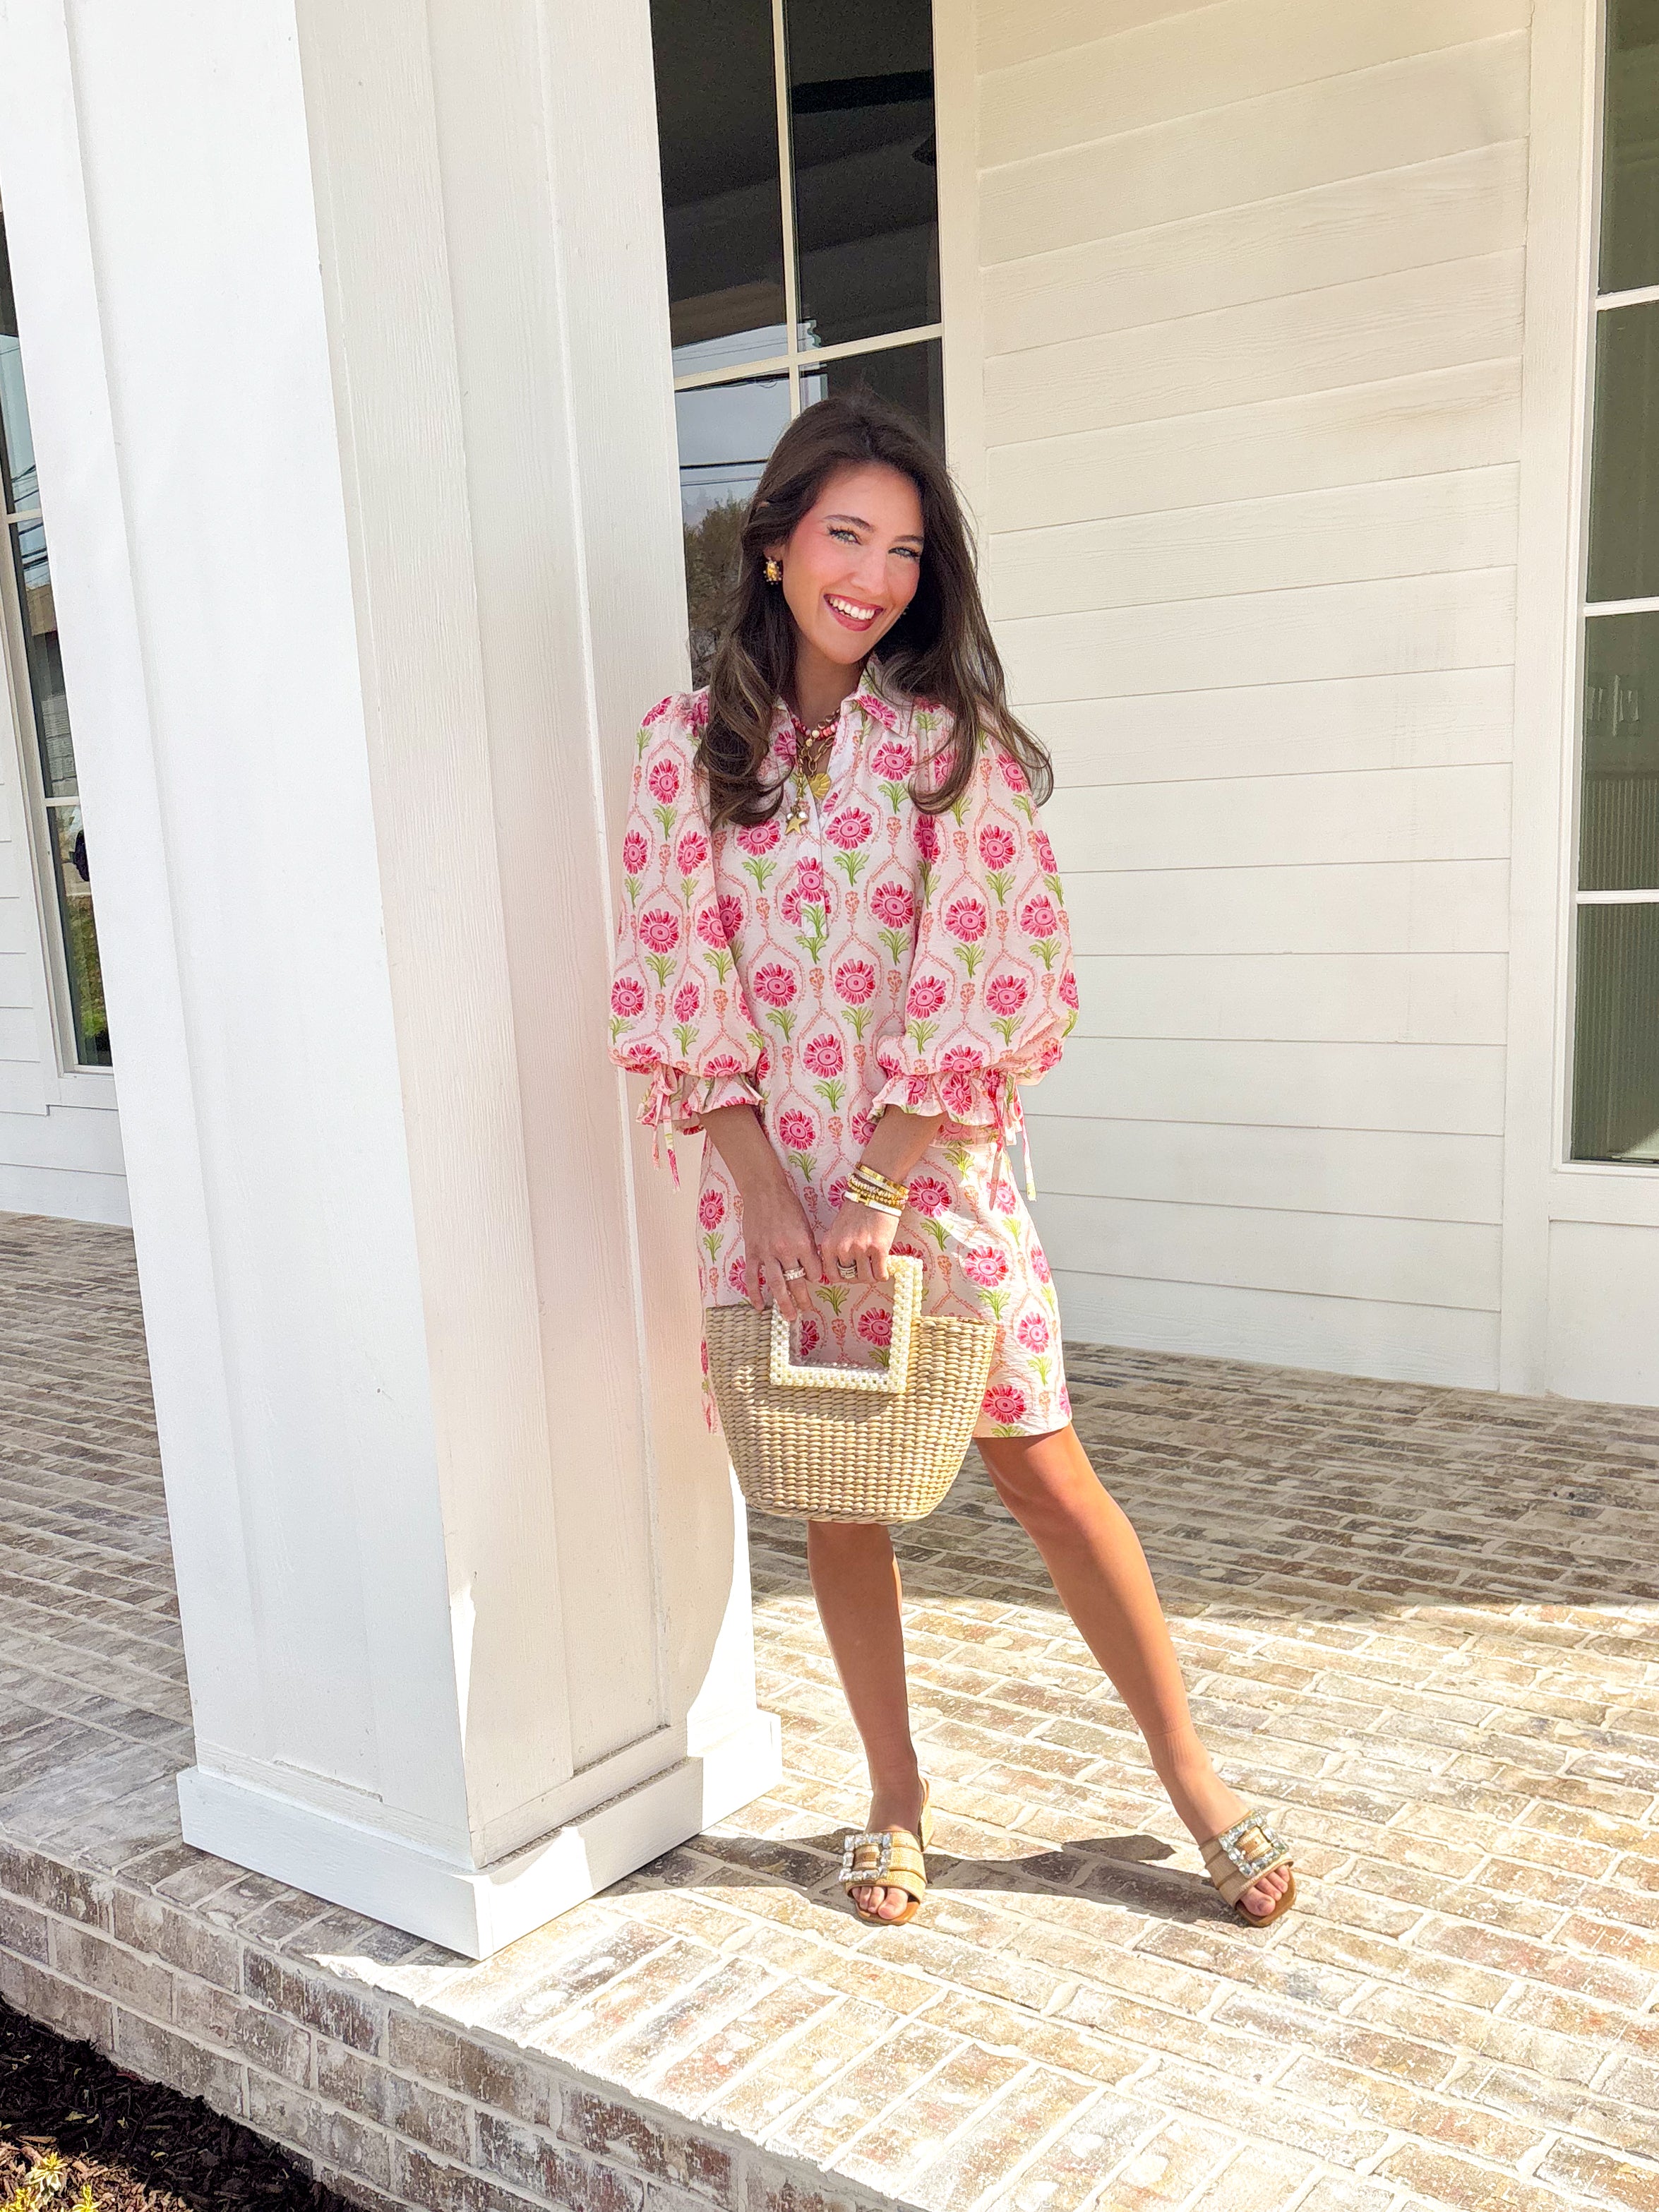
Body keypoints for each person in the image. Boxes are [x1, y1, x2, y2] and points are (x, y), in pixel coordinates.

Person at [608, 393, 1295, 1930]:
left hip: (935, 1176)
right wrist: (766, 1186)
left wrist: (876, 1183)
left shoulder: (947, 748)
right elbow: (675, 986)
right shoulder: (679, 751)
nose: (873, 575)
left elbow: (989, 968)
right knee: (840, 1491)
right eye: (844, 534)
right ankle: (894, 1791)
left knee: (1044, 1469)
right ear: (773, 541)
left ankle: (1193, 1780)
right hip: (772, 1196)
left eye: (905, 549)